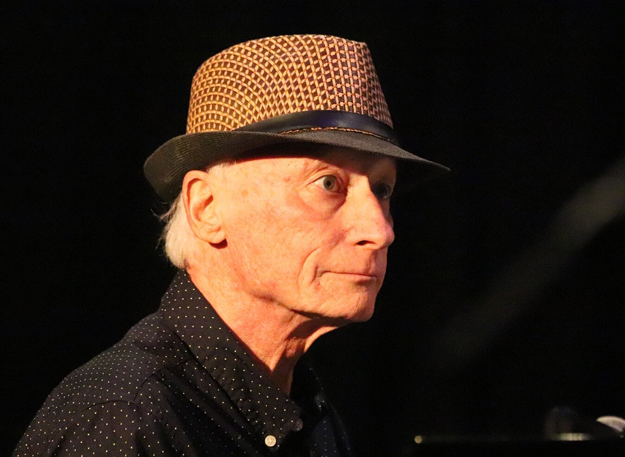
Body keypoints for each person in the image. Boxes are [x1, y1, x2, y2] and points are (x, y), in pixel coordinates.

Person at [14, 34, 449, 456]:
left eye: (383, 190)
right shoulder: (124, 419)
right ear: (207, 207)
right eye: (328, 184)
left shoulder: (306, 409)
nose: (380, 229)